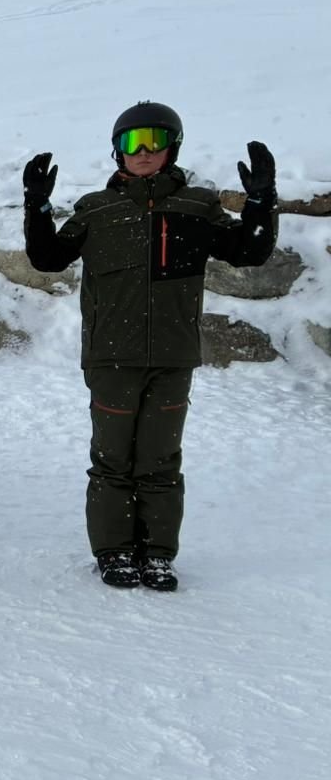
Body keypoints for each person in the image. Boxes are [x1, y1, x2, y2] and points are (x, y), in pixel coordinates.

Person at [23, 102, 278, 591]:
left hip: (172, 355)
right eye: (131, 142)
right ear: (116, 150)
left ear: (172, 147)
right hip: (111, 356)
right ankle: (114, 550)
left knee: (161, 458)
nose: (142, 153)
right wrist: (36, 206)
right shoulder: (96, 208)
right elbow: (48, 257)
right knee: (113, 457)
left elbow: (250, 251)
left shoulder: (197, 206)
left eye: (153, 141)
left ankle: (158, 554)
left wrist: (262, 202)